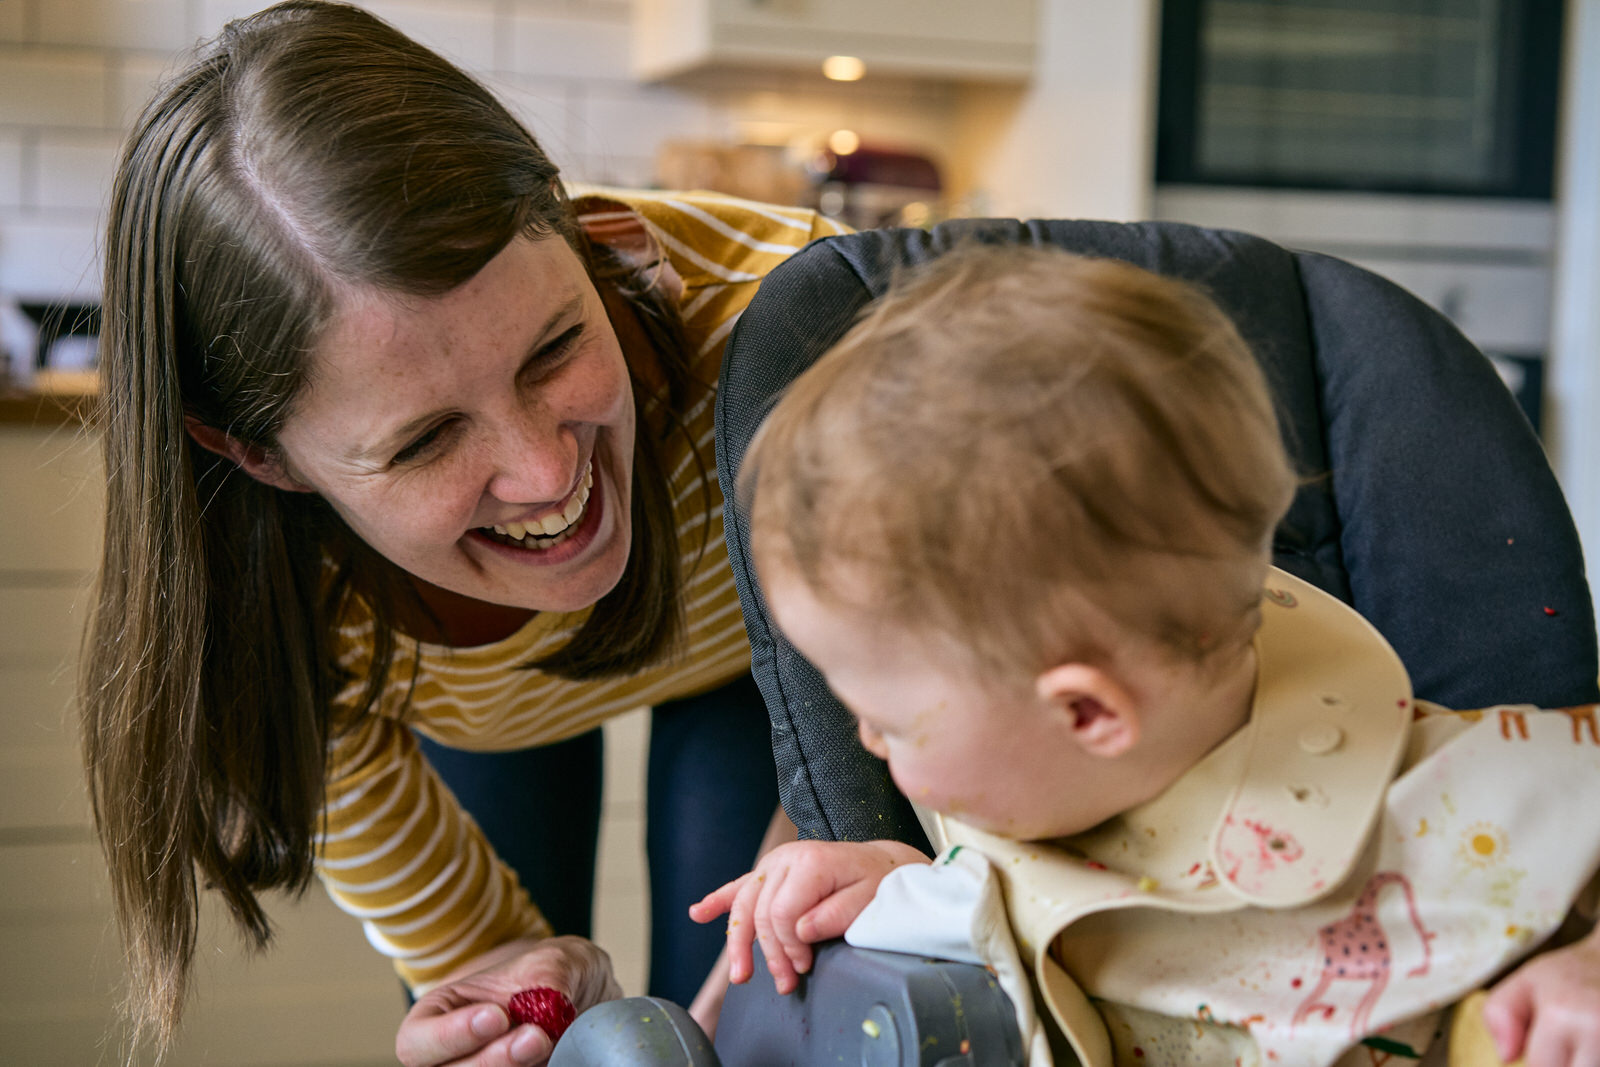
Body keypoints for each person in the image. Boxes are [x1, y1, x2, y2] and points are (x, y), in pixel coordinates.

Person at [79, 2, 845, 1064]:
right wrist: (523, 999)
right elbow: (496, 975)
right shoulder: (273, 602)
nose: (546, 471)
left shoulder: (804, 329)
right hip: (482, 707)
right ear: (264, 457)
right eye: (427, 437)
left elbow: (903, 703)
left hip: (783, 648)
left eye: (554, 348)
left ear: (586, 239)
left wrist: (735, 1004)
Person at [692, 245, 1600, 1066]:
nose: (868, 741)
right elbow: (1019, 904)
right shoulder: (1025, 805)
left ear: (1088, 713)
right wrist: (891, 884)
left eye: (885, 720)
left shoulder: (1440, 792)